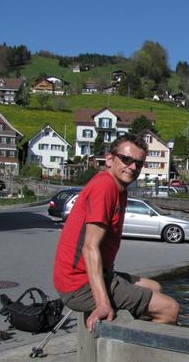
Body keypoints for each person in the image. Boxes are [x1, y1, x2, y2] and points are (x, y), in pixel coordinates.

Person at [53, 133, 179, 331]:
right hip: (78, 284)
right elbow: (89, 248)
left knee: (155, 287)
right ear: (110, 159)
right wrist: (103, 303)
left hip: (97, 275)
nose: (133, 167)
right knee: (169, 309)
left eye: (138, 163)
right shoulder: (105, 186)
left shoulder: (118, 189)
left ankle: (134, 334)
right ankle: (133, 357)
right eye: (127, 160)